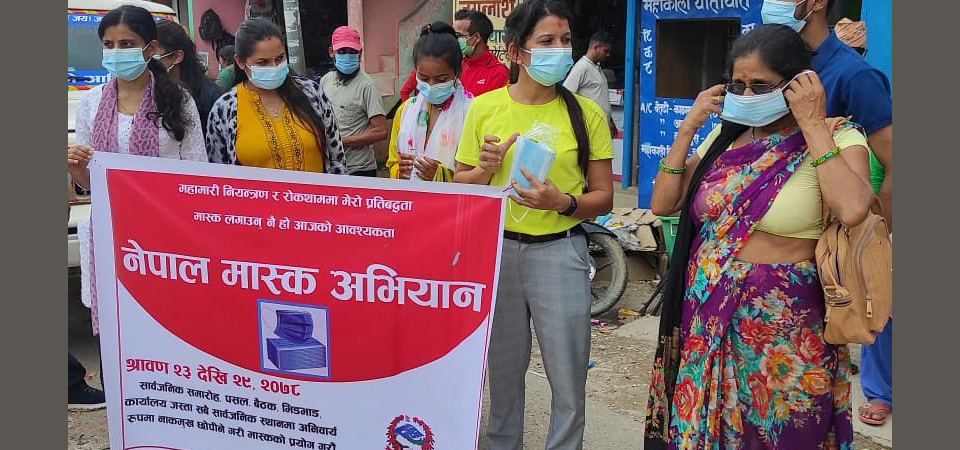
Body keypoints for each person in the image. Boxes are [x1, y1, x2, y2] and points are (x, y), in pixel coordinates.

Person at [643, 24, 874, 449]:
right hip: (709, 311)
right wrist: (687, 129)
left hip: (788, 326)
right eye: (738, 85)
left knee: (782, 431)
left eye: (761, 86)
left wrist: (813, 126)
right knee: (709, 431)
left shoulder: (839, 136)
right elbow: (663, 203)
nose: (747, 97)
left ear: (799, 84)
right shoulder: (724, 138)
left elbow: (854, 208)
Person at [453, 1, 614, 448]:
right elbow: (463, 186)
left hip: (560, 252)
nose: (559, 52)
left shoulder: (585, 113)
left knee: (567, 373)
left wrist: (562, 202)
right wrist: (485, 168)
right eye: (546, 42)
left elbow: (601, 197)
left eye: (565, 41)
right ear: (516, 53)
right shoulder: (483, 108)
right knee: (502, 371)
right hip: (497, 253)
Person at [762, 0, 894, 427]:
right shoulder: (762, 68)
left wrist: (877, 237)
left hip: (833, 238)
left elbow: (895, 161)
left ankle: (880, 391)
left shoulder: (854, 75)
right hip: (771, 247)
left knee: (868, 312)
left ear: (816, 3)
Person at [67, 4, 208, 337]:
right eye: (109, 45)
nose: (116, 52)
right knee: (120, 337)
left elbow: (196, 170)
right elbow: (92, 182)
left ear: (151, 48)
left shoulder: (177, 100)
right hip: (111, 235)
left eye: (127, 44)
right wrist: (77, 169)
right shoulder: (90, 103)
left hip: (168, 238)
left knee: (165, 329)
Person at [206, 17, 347, 174]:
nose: (274, 67)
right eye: (262, 62)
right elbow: (219, 178)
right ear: (240, 62)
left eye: (280, 58)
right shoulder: (225, 109)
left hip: (317, 197)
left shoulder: (311, 93)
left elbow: (337, 159)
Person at [386, 22, 472, 182]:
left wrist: (441, 176)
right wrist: (400, 171)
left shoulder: (472, 111)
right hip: (411, 202)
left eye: (441, 79)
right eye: (424, 78)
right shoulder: (405, 111)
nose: (431, 86)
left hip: (451, 205)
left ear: (457, 72)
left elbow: (477, 175)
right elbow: (393, 161)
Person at [319, 26, 388, 177]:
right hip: (331, 166)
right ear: (332, 52)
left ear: (360, 53)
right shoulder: (326, 81)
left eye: (352, 52)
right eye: (342, 52)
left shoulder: (367, 85)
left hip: (359, 169)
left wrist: (342, 141)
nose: (347, 56)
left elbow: (381, 131)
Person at [399, 8, 509, 100]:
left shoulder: (497, 73)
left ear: (476, 38)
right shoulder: (454, 63)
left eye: (458, 36)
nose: (453, 40)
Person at [155, 19, 222, 135]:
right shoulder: (147, 91)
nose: (147, 63)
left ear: (177, 56)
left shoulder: (209, 96)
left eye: (154, 57)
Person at [562, 30, 618, 137]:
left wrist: (609, 120)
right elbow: (566, 95)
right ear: (596, 48)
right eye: (605, 51)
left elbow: (599, 97)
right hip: (589, 128)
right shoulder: (582, 67)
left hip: (601, 126)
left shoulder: (596, 67)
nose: (608, 55)